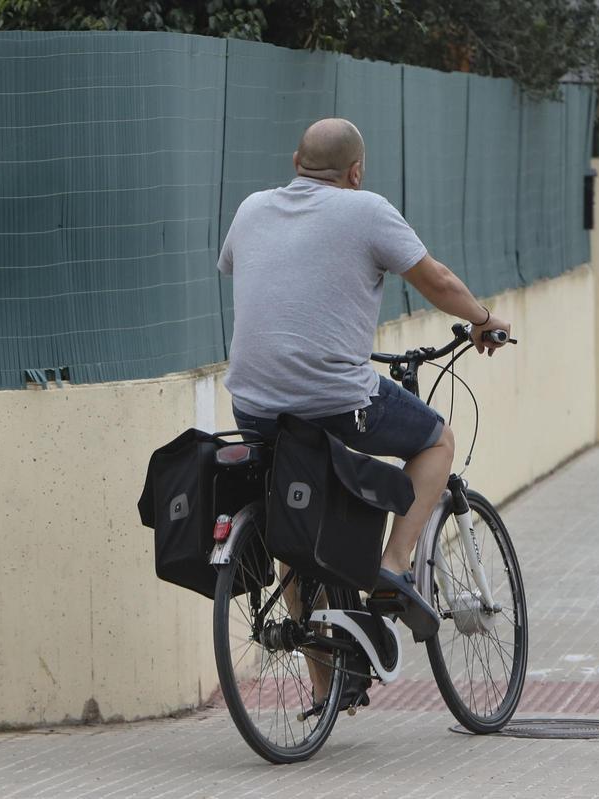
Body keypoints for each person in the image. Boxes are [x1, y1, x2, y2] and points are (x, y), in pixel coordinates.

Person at [216, 118, 511, 709]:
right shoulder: (367, 209)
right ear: (355, 172)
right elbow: (437, 280)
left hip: (252, 402)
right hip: (334, 398)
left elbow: (248, 274)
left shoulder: (251, 209)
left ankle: (328, 691)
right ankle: (393, 568)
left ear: (296, 158)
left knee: (295, 531)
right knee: (437, 442)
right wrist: (483, 320)